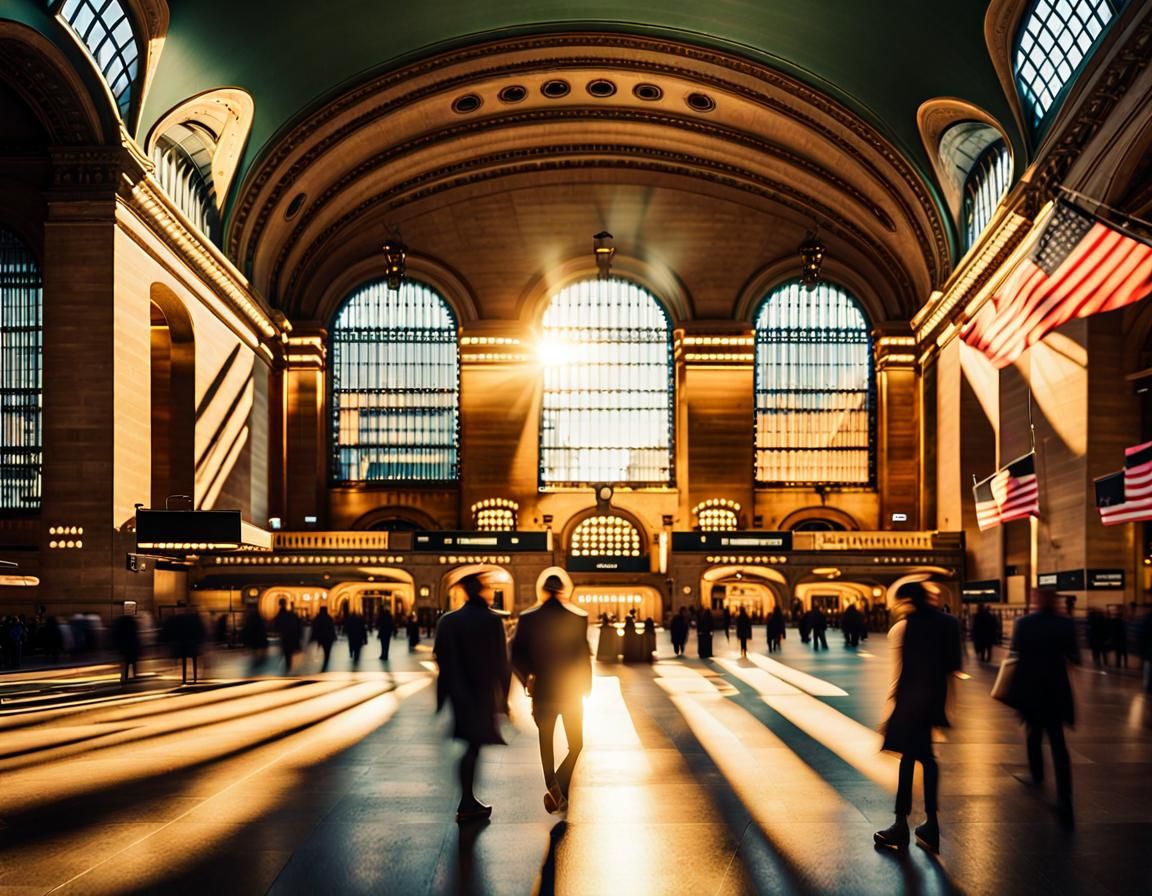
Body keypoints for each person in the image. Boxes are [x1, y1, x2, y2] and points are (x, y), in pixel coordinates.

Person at [874, 581, 962, 854]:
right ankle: (929, 824)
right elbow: (953, 665)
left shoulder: (912, 624)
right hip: (934, 699)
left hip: (913, 702)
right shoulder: (949, 623)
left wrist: (895, 705)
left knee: (912, 757)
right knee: (923, 758)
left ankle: (902, 825)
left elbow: (908, 669)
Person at [510, 567, 591, 814]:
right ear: (564, 589)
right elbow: (583, 655)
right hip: (570, 690)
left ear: (542, 591)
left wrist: (527, 679)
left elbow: (516, 656)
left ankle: (553, 786)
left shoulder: (528, 618)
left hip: (543, 690)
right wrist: (587, 685)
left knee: (546, 741)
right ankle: (559, 784)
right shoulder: (577, 617)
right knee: (576, 744)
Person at [434, 573, 512, 822]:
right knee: (473, 745)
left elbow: (441, 658)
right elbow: (502, 663)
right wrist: (505, 698)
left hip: (459, 691)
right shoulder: (492, 621)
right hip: (481, 692)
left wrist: (443, 694)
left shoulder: (448, 621)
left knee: (472, 743)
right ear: (481, 591)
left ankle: (468, 798)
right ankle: (467, 801)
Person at [1008, 588, 1081, 827]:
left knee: (1033, 733)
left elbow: (1015, 652)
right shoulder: (1066, 624)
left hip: (1031, 690)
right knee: (1058, 744)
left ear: (1036, 600)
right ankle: (1065, 799)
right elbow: (1075, 657)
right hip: (1057, 692)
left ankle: (1037, 774)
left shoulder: (1024, 623)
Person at [272, 598, 303, 673]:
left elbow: (277, 625)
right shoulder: (290, 614)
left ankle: (287, 666)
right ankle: (288, 665)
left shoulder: (281, 614)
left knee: (287, 652)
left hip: (285, 636)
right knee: (288, 652)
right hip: (290, 636)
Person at [110, 612, 141, 684]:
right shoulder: (132, 624)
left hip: (125, 648)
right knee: (132, 663)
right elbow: (136, 637)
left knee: (126, 663)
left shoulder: (120, 625)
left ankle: (125, 677)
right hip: (132, 648)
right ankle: (131, 677)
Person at [310, 605, 337, 672]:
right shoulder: (329, 618)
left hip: (322, 637)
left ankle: (326, 661)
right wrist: (334, 636)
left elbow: (315, 628)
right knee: (327, 650)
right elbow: (332, 628)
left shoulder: (318, 618)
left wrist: (313, 637)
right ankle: (326, 661)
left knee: (325, 649)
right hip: (328, 637)